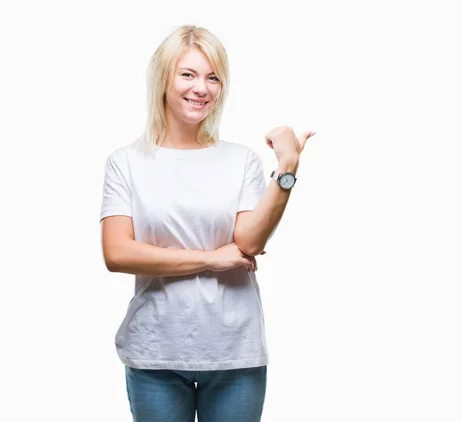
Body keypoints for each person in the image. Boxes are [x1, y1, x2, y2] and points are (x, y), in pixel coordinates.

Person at [99, 24, 314, 422]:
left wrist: (287, 169)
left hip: (234, 350)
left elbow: (247, 243)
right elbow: (117, 252)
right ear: (163, 79)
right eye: (189, 74)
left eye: (213, 77)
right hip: (155, 351)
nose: (202, 88)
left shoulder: (242, 160)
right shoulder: (126, 162)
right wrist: (211, 259)